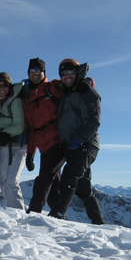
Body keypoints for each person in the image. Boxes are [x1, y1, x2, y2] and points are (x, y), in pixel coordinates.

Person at [49, 58, 104, 225]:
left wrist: (78, 141)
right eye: (63, 73)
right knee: (83, 188)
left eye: (70, 72)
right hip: (72, 146)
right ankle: (99, 222)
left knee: (69, 177)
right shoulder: (68, 92)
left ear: (77, 73)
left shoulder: (88, 93)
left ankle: (57, 214)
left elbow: (93, 121)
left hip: (86, 144)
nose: (66, 76)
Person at [22, 58, 65, 214]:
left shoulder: (53, 87)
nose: (35, 74)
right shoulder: (27, 98)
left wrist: (88, 82)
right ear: (28, 73)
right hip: (43, 147)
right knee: (53, 188)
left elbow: (73, 87)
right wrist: (30, 154)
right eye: (32, 71)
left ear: (44, 72)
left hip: (59, 142)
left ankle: (33, 213)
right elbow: (33, 128)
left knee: (43, 180)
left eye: (39, 70)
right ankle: (62, 221)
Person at [0, 72, 28, 210]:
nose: (2, 89)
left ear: (10, 86)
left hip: (18, 147)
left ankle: (18, 214)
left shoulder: (16, 101)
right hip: (5, 148)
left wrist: (4, 134)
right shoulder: (0, 102)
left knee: (11, 181)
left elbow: (19, 126)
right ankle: (11, 212)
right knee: (3, 182)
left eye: (5, 85)